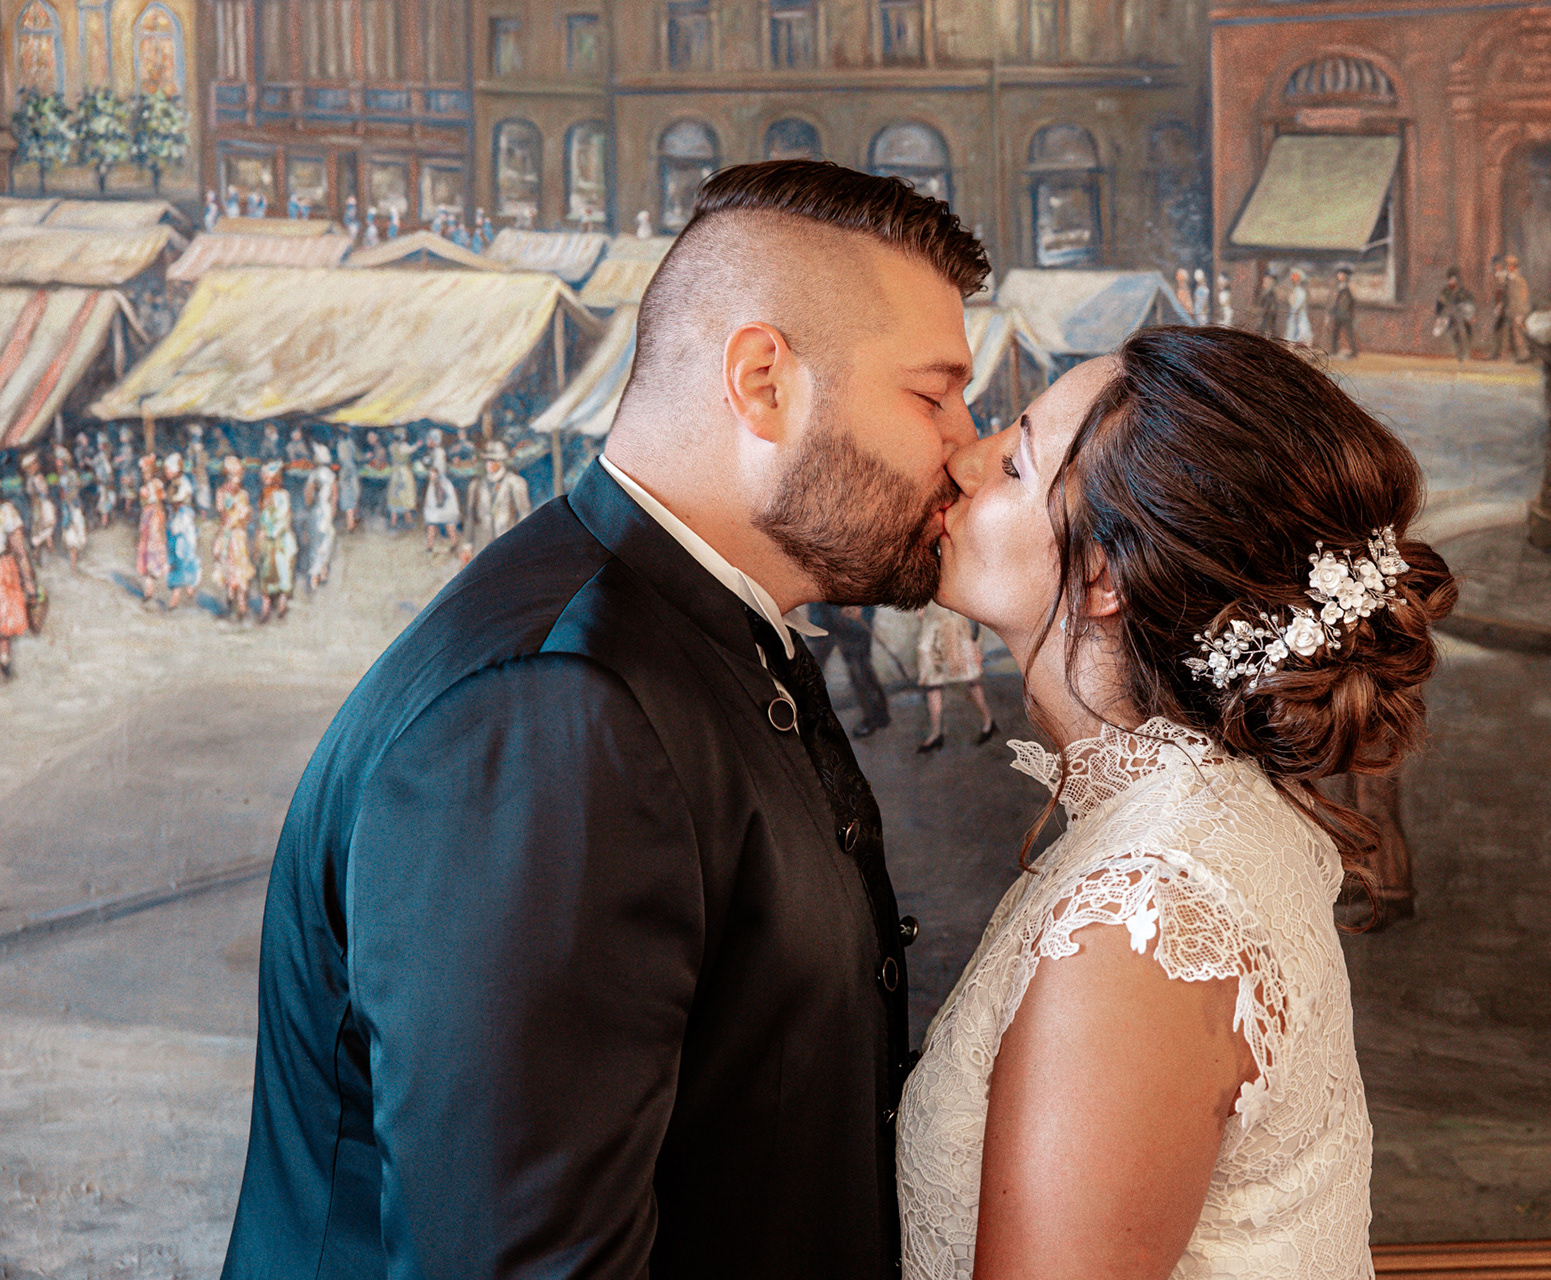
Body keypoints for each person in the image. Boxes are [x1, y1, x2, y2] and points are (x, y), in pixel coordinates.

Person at [221, 159, 987, 1279]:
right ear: (765, 381)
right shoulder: (553, 713)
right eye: (932, 395)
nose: (965, 446)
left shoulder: (683, 634)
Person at [898, 325, 1455, 1278]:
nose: (962, 457)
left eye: (1018, 461)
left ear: (1106, 574)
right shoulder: (1201, 819)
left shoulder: (1148, 922)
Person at [913, 601, 993, 752]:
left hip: (957, 626)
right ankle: (936, 733)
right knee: (932, 683)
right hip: (933, 629)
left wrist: (976, 642)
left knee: (972, 679)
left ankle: (988, 720)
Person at [809, 601, 891, 737]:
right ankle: (808, 720)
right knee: (811, 667)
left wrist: (859, 603)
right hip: (822, 612)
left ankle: (876, 716)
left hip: (851, 611)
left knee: (859, 668)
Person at [458, 439, 532, 561]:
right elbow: (470, 516)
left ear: (501, 461)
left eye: (492, 460)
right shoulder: (475, 485)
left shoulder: (516, 483)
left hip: (507, 546)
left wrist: (519, 543)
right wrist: (467, 546)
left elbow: (525, 514)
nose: (488, 464)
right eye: (486, 460)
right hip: (481, 547)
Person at [212, 455, 254, 619]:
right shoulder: (221, 493)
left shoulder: (243, 494)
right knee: (227, 567)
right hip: (227, 534)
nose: (234, 480)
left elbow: (244, 516)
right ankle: (230, 601)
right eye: (231, 476)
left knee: (240, 568)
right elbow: (222, 512)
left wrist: (236, 518)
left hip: (238, 535)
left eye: (236, 476)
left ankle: (242, 603)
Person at [254, 460, 297, 621]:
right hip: (267, 539)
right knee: (265, 573)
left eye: (268, 475)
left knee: (282, 571)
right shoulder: (264, 495)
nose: (265, 477)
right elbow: (263, 518)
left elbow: (283, 518)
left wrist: (271, 533)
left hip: (280, 541)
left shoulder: (282, 495)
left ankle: (282, 604)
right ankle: (265, 608)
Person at [0, 495, 35, 678]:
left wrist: (29, 582)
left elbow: (21, 552)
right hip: (3, 570)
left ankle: (4, 657)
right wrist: (29, 583)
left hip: (3, 571)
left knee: (3, 621)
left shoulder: (6, 512)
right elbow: (20, 552)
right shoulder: (7, 512)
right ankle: (4, 657)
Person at [164, 452, 202, 610]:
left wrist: (173, 503)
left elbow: (181, 499)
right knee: (174, 556)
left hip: (183, 522)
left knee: (184, 553)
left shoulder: (183, 482)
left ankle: (189, 586)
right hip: (174, 523)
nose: (166, 472)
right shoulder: (173, 483)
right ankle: (177, 594)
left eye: (168, 469)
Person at [134, 455, 168, 600]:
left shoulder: (157, 484)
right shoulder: (143, 488)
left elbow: (160, 502)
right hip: (147, 519)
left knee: (155, 547)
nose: (145, 475)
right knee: (146, 549)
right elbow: (144, 505)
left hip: (155, 518)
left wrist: (159, 519)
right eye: (144, 472)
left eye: (148, 471)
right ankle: (148, 589)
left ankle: (152, 586)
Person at [303, 443, 337, 590]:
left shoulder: (314, 475)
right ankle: (323, 571)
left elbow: (308, 498)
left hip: (317, 511)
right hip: (327, 510)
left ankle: (314, 577)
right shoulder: (331, 475)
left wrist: (309, 503)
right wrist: (332, 512)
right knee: (326, 542)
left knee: (315, 544)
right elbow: (334, 497)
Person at [1488, 252, 1532, 362]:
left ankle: (1523, 355)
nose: (1507, 267)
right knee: (1504, 334)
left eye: (1510, 265)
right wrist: (1500, 307)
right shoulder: (1506, 281)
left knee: (1518, 335)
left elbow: (1523, 298)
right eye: (1507, 265)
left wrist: (1521, 314)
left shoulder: (1520, 281)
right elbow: (1503, 296)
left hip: (1517, 312)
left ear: (1514, 267)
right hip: (1507, 311)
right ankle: (1502, 356)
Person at [420, 452, 460, 554]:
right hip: (435, 511)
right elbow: (429, 499)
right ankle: (429, 547)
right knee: (431, 527)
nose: (431, 476)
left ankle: (455, 544)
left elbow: (448, 498)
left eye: (433, 474)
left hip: (446, 510)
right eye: (430, 474)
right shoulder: (432, 484)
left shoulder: (445, 484)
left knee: (449, 527)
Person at [1435, 266, 1475, 362]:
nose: (1452, 282)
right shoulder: (1445, 292)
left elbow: (1470, 304)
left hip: (1464, 318)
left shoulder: (1463, 292)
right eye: (1450, 280)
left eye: (1454, 280)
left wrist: (1472, 316)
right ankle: (1460, 354)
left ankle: (1465, 353)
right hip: (1451, 318)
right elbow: (1439, 305)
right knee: (1455, 335)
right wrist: (1439, 316)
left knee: (1465, 334)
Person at [56, 454, 86, 571]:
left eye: (60, 464)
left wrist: (70, 495)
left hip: (74, 506)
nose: (58, 467)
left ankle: (76, 556)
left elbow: (78, 485)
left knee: (79, 531)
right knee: (70, 534)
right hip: (66, 508)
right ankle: (73, 562)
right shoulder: (60, 477)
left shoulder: (71, 474)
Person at [385, 430, 418, 529]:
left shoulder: (392, 446)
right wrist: (417, 444)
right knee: (404, 497)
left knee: (395, 498)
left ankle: (393, 523)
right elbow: (411, 449)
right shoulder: (404, 446)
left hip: (395, 472)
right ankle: (408, 522)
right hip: (403, 472)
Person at [1328, 264, 1359, 358]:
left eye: (1341, 274)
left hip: (1346, 314)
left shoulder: (1348, 287)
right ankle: (1333, 351)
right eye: (1338, 274)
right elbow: (1335, 302)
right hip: (1338, 314)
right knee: (1335, 333)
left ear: (1345, 276)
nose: (1339, 276)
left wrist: (1350, 312)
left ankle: (1354, 352)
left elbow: (1352, 301)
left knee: (1349, 334)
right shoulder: (1338, 287)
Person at [334, 430, 360, 533]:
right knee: (353, 495)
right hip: (351, 470)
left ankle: (351, 523)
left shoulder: (341, 444)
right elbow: (356, 456)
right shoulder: (350, 443)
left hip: (345, 471)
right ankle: (352, 522)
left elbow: (342, 458)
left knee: (348, 497)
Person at [1284, 264, 1314, 347]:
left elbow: (1299, 303)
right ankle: (1291, 347)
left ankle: (1306, 348)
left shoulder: (1301, 291)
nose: (1293, 278)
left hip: (1299, 313)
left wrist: (1295, 311)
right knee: (1291, 330)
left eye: (1295, 277)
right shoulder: (1294, 290)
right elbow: (1291, 301)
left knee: (1303, 330)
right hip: (1293, 313)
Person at [187, 423, 213, 512]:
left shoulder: (202, 453)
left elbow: (204, 463)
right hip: (195, 475)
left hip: (201, 477)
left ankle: (203, 512)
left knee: (202, 492)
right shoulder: (191, 449)